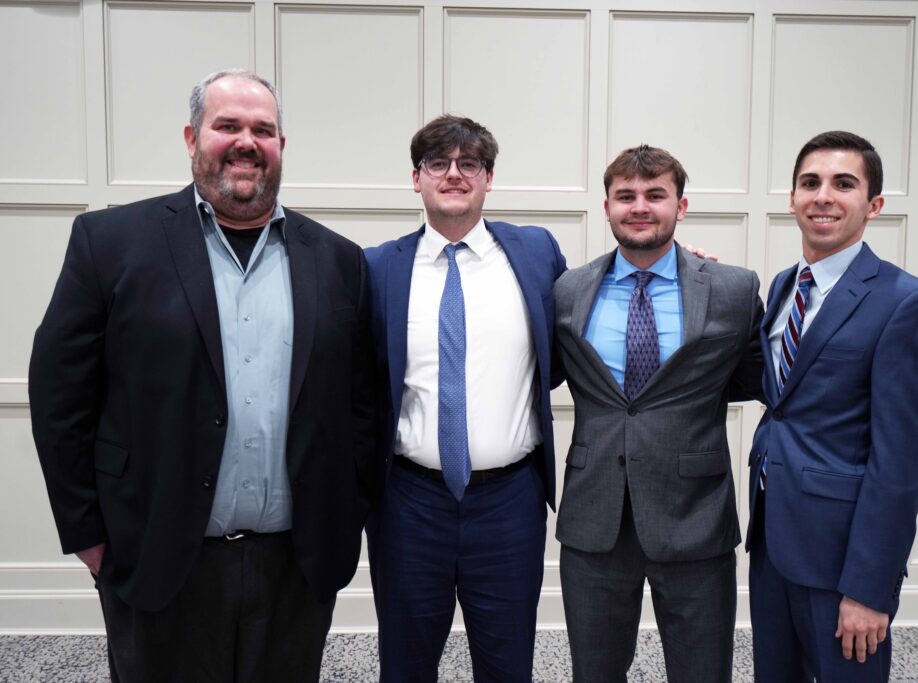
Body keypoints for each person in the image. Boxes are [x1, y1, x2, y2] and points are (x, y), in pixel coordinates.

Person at [28, 69, 376, 682]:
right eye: (228, 126)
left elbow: (361, 401)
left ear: (281, 148)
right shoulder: (109, 242)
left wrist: (349, 515)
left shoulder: (338, 260)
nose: (246, 141)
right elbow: (60, 394)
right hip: (157, 553)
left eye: (263, 129)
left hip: (296, 563)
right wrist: (83, 530)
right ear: (192, 138)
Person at [364, 114, 567, 683]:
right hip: (409, 503)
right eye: (438, 163)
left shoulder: (535, 253)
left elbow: (581, 325)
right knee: (404, 665)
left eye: (468, 163)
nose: (454, 174)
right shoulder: (379, 267)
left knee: (507, 667)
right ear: (416, 177)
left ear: (488, 177)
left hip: (508, 503)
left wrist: (675, 263)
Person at [554, 144, 764, 682]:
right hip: (595, 515)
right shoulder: (567, 290)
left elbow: (751, 379)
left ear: (681, 205)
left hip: (695, 514)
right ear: (607, 208)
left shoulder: (732, 290)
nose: (640, 206)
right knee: (594, 672)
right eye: (626, 196)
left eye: (655, 195)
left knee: (702, 672)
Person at [746, 130, 918, 682]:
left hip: (842, 563)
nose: (823, 196)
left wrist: (869, 588)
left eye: (844, 184)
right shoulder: (788, 285)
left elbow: (901, 464)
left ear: (873, 204)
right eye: (810, 183)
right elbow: (777, 394)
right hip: (772, 543)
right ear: (792, 198)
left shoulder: (906, 303)